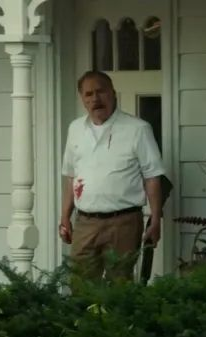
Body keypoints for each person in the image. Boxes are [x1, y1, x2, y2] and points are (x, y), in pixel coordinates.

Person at [60, 71, 170, 281]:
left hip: (124, 223)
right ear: (82, 99)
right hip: (85, 222)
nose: (95, 98)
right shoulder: (75, 129)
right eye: (89, 94)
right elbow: (70, 176)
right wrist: (65, 216)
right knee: (80, 284)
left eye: (100, 91)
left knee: (119, 285)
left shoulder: (138, 129)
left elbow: (152, 177)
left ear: (112, 93)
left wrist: (156, 219)